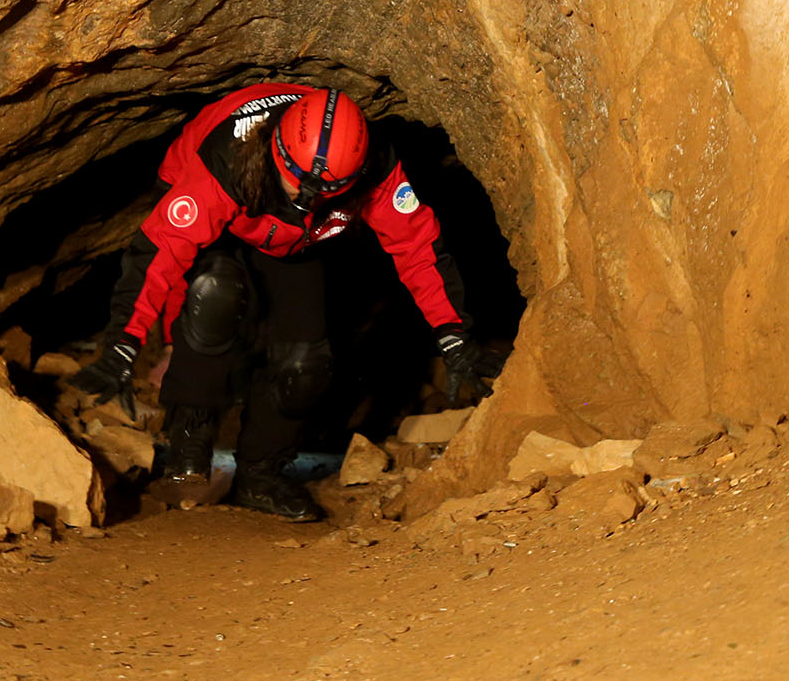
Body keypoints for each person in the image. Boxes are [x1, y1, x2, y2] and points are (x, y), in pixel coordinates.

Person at [72, 81, 490, 522]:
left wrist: (453, 333)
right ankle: (188, 443)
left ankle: (259, 474)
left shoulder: (377, 169)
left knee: (307, 363)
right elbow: (161, 254)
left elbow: (417, 245)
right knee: (212, 296)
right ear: (275, 150)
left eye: (321, 191)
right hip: (225, 221)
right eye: (297, 182)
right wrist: (124, 341)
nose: (303, 198)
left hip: (293, 244)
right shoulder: (226, 159)